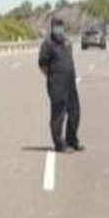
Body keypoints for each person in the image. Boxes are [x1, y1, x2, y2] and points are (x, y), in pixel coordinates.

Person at [38, 19, 82, 152]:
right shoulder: (48, 44)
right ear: (52, 28)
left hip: (70, 83)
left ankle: (71, 140)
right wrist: (52, 77)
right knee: (58, 115)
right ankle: (59, 144)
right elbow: (42, 65)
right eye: (57, 27)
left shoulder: (67, 42)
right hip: (57, 84)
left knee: (75, 112)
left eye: (61, 27)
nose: (59, 29)